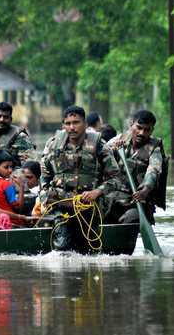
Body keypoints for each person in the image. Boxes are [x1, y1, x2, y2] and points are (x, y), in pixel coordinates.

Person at [40, 105, 119, 251]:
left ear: (85, 124)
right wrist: (45, 196)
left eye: (76, 122)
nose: (72, 127)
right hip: (60, 204)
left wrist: (97, 192)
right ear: (63, 125)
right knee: (61, 244)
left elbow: (115, 178)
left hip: (89, 204)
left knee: (89, 248)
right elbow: (44, 175)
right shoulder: (53, 144)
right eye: (68, 123)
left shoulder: (99, 145)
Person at [106, 109, 167, 224]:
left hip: (137, 201)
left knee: (130, 219)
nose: (142, 133)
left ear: (152, 130)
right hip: (112, 199)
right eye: (139, 128)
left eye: (147, 130)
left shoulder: (155, 148)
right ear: (131, 124)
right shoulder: (118, 140)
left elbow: (154, 170)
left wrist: (146, 189)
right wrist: (112, 151)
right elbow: (99, 157)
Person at [0, 102, 36, 167]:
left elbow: (30, 167)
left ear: (11, 119)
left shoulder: (21, 137)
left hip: (12, 174)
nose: (2, 120)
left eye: (6, 117)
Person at [0, 149, 25, 219]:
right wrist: (21, 187)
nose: (10, 170)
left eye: (11, 167)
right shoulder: (7, 184)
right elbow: (18, 207)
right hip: (11, 220)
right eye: (6, 167)